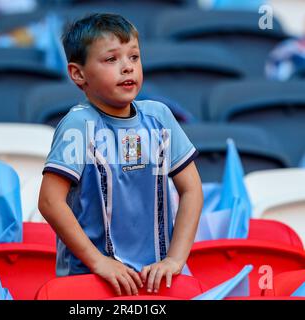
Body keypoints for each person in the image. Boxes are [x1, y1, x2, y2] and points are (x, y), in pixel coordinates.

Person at [38, 13, 203, 296]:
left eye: (134, 57)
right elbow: (50, 202)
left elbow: (192, 190)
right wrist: (98, 262)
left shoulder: (160, 116)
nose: (127, 68)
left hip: (154, 280)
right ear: (78, 74)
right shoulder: (79, 124)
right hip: (90, 280)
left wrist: (175, 260)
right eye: (111, 59)